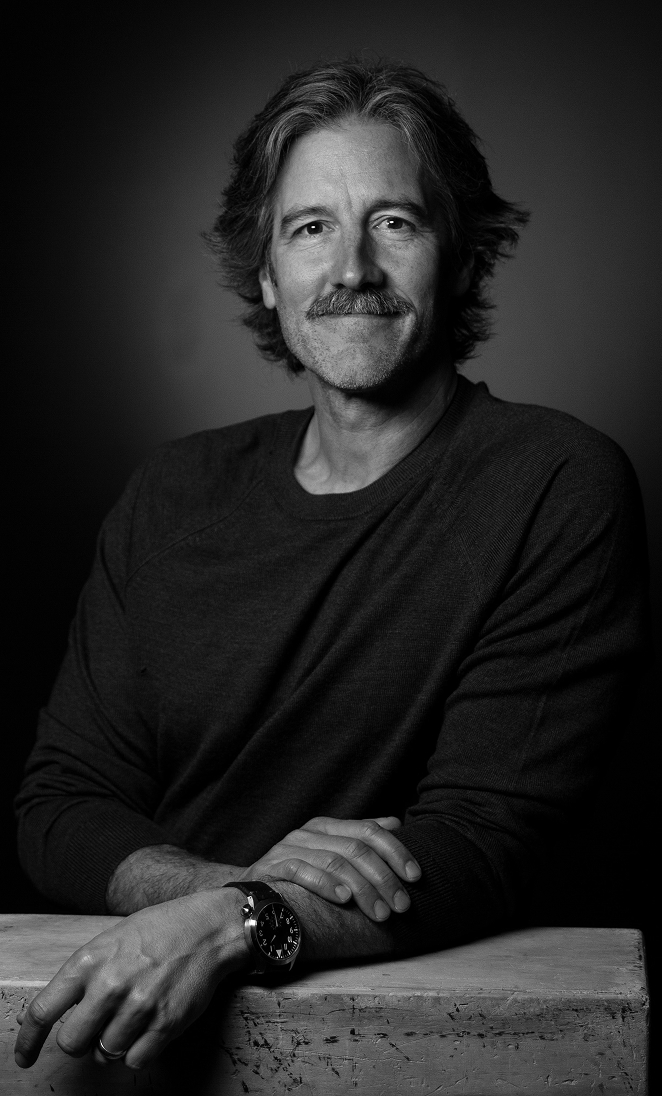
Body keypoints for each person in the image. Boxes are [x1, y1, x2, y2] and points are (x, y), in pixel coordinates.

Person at [14, 58, 648, 1073]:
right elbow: (59, 806)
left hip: (427, 1056)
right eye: (310, 227)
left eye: (393, 221)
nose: (351, 266)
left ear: (459, 258)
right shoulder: (170, 493)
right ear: (266, 273)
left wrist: (233, 924)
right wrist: (226, 896)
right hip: (138, 1046)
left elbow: (483, 841)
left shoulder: (554, 483)